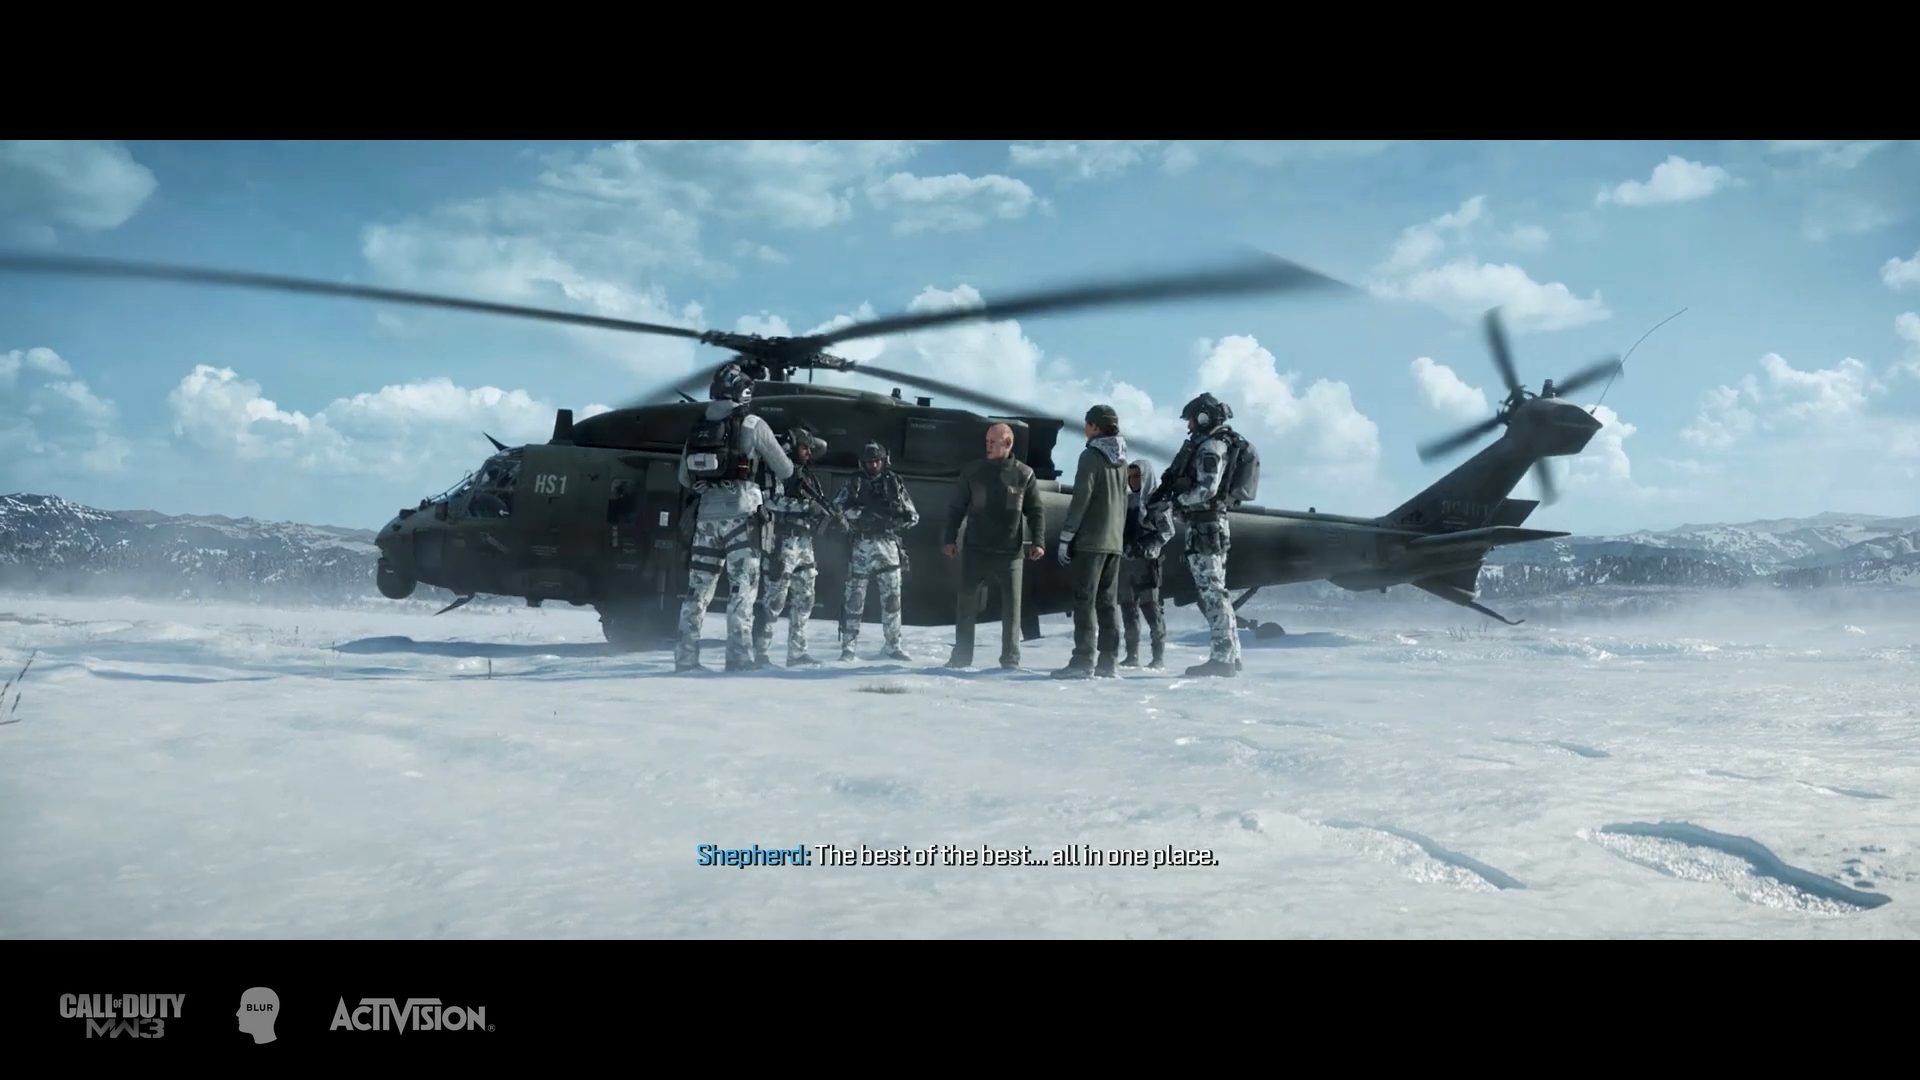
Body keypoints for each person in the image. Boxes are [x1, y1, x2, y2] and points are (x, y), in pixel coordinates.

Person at [674, 361, 794, 672]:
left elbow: (684, 478)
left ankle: (686, 658)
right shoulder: (753, 424)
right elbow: (785, 470)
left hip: (706, 519)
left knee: (697, 592)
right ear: (745, 392)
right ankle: (739, 658)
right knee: (742, 591)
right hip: (742, 516)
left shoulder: (699, 425)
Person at [942, 422, 1045, 670]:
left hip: (1010, 553)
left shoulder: (1024, 474)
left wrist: (1038, 541)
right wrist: (949, 539)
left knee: (1012, 610)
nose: (987, 446)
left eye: (993, 442)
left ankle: (1010, 659)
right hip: (976, 549)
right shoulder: (972, 472)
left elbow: (1035, 510)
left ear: (1007, 444)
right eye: (986, 441)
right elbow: (956, 507)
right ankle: (961, 657)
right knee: (966, 605)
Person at [1161, 392, 1242, 677]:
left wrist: (1177, 502)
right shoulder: (1217, 443)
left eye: (1192, 420)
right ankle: (1232, 655)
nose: (1189, 426)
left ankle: (1222, 659)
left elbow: (1207, 489)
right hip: (1211, 525)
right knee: (1218, 592)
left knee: (1212, 593)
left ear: (1205, 417)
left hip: (1206, 526)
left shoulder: (1210, 447)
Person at [1052, 404, 1128, 680]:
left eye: (1087, 424)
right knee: (1108, 603)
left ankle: (1083, 660)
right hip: (1114, 541)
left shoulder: (1091, 456)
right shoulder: (1122, 460)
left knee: (1084, 601)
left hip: (1091, 541)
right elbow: (1124, 501)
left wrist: (1066, 536)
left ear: (1096, 426)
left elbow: (1081, 498)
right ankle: (1109, 661)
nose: (1084, 429)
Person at [753, 427, 838, 667]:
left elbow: (817, 504)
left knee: (806, 598)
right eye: (804, 448)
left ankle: (798, 653)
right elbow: (770, 501)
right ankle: (760, 653)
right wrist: (807, 507)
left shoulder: (806, 475)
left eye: (810, 449)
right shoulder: (777, 470)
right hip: (781, 540)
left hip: (804, 542)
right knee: (774, 600)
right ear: (790, 448)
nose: (809, 452)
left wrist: (827, 516)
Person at [834, 441, 919, 661]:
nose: (873, 465)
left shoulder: (894, 483)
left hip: (887, 545)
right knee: (854, 599)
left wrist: (895, 520)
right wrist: (862, 514)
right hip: (861, 546)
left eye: (876, 461)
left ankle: (893, 646)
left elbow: (913, 515)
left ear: (884, 461)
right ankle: (848, 649)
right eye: (869, 462)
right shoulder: (854, 483)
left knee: (892, 600)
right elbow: (837, 508)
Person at [1119, 457, 1174, 669]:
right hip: (1126, 562)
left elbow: (1167, 531)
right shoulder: (1126, 501)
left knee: (1151, 610)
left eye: (1137, 476)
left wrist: (1149, 545)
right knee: (1128, 610)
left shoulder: (1157, 502)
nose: (1133, 481)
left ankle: (1158, 657)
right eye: (1130, 477)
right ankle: (1131, 655)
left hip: (1147, 563)